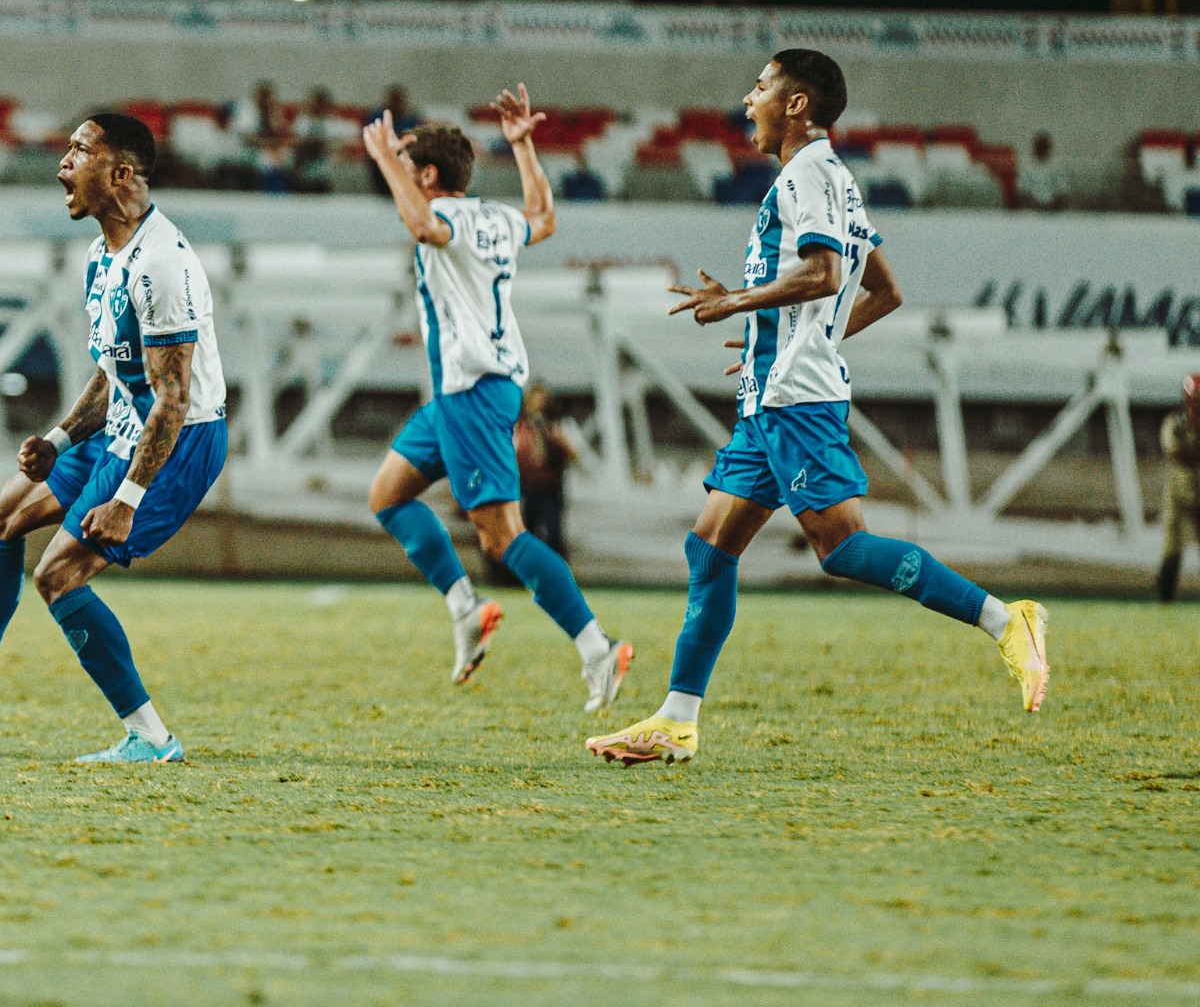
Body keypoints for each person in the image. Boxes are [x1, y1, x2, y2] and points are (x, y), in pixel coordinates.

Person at [587, 50, 1050, 769]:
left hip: (795, 399)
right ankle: (677, 721)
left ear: (797, 104)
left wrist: (736, 305)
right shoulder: (837, 180)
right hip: (772, 393)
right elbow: (884, 290)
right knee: (708, 548)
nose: (749, 100)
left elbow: (825, 272)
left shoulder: (807, 176)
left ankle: (1005, 618)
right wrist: (785, 335)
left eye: (763, 87)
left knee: (843, 550)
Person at [0, 111, 228, 764]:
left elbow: (173, 398)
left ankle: (152, 738)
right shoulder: (102, 255)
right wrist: (61, 441)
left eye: (79, 151)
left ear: (121, 173)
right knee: (1, 513)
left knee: (59, 574)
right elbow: (113, 371)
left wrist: (124, 499)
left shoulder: (162, 265)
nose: (62, 164)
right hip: (120, 429)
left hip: (177, 443)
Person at [363, 84, 632, 715]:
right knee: (387, 495)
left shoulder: (447, 219)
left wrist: (382, 158)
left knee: (502, 537)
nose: (398, 169)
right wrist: (525, 147)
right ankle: (465, 608)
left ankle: (597, 648)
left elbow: (423, 223)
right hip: (472, 390)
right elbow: (545, 218)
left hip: (473, 391)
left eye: (407, 163)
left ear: (427, 175)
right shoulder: (494, 218)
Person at [515, 381, 576, 558]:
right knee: (526, 532)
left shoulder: (554, 426)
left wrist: (558, 441)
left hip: (549, 487)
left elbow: (572, 453)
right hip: (526, 486)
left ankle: (557, 574)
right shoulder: (520, 427)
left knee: (554, 533)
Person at [1157, 373, 1200, 602]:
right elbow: (1174, 449)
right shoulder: (1175, 422)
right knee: (1172, 549)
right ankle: (1165, 597)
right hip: (1178, 495)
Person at [1017, 131, 1066, 211]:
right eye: (1039, 147)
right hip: (1031, 211)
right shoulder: (1026, 167)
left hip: (1052, 212)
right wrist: (1033, 205)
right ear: (1035, 148)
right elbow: (1022, 192)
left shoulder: (1056, 168)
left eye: (1044, 147)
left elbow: (1061, 191)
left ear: (1048, 149)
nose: (1041, 149)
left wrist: (1052, 207)